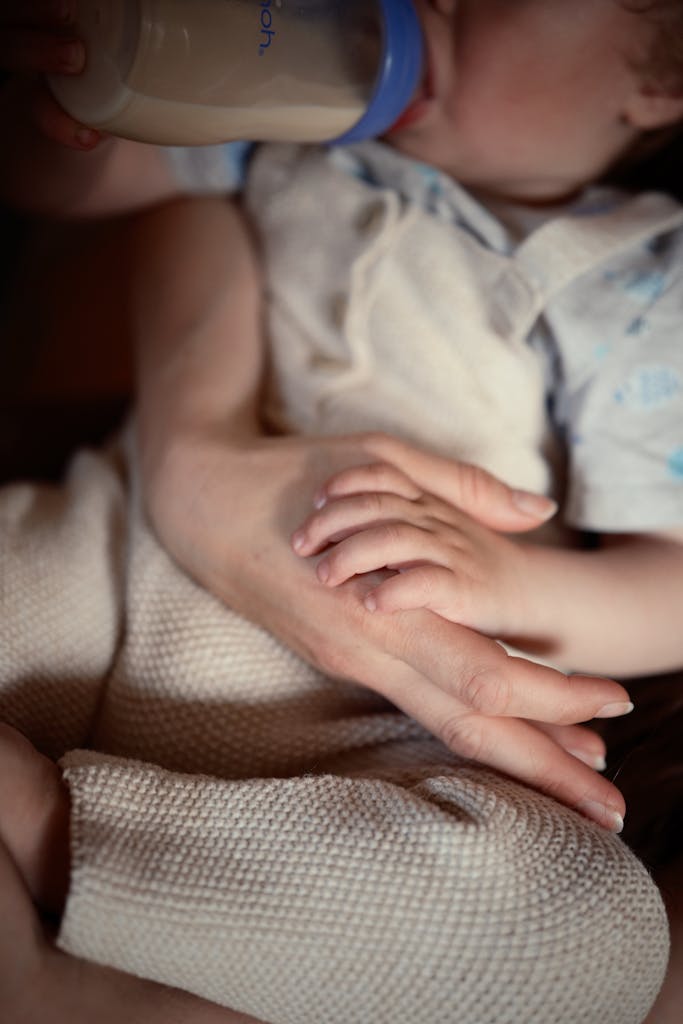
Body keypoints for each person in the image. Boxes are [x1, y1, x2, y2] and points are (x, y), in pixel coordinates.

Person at [0, 1, 681, 1022]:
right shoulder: (286, 122)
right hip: (117, 558)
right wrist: (78, 94)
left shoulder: (630, 278)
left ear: (658, 82)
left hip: (369, 714)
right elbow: (58, 182)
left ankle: (51, 831)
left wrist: (513, 580)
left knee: (587, 936)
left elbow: (669, 578)